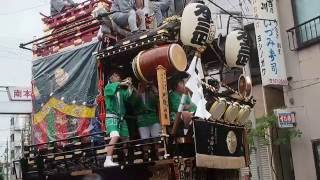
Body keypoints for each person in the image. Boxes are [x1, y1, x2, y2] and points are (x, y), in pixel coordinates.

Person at [103, 70, 134, 167]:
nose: (118, 77)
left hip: (121, 118)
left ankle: (126, 158)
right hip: (111, 117)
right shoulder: (108, 87)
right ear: (111, 78)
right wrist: (123, 82)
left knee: (126, 138)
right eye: (116, 76)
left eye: (118, 76)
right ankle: (107, 160)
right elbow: (112, 90)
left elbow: (127, 97)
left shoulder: (120, 90)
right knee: (115, 136)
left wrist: (129, 86)